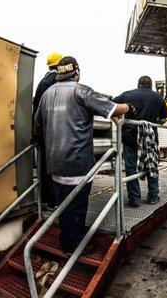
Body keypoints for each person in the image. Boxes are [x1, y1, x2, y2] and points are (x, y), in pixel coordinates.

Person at [33, 56, 133, 253]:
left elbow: (37, 124)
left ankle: (66, 239)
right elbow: (114, 108)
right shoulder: (82, 91)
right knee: (77, 207)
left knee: (63, 206)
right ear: (76, 71)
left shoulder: (47, 94)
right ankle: (74, 246)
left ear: (59, 73)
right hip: (77, 163)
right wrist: (129, 107)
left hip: (53, 163)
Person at [113, 76, 167, 207]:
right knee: (151, 164)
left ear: (138, 85)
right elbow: (163, 119)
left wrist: (119, 123)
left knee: (131, 168)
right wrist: (152, 121)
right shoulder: (158, 98)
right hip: (150, 139)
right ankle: (153, 196)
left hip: (130, 136)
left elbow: (111, 107)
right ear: (151, 86)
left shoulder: (127, 95)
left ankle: (135, 200)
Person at [32, 52, 63, 209]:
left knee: (43, 166)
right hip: (53, 129)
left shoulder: (42, 81)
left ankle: (44, 200)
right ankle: (53, 201)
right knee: (54, 166)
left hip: (42, 129)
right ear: (59, 65)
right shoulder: (56, 81)